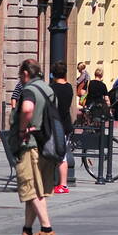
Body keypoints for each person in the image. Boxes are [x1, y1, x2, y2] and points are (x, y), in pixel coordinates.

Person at [11, 59, 57, 235]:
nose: (20, 79)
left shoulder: (29, 90)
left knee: (30, 187)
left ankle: (47, 228)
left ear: (25, 73)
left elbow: (28, 109)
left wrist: (22, 129)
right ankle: (27, 229)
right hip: (46, 144)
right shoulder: (48, 89)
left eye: (20, 75)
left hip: (29, 145)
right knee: (36, 189)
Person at [51, 61, 74, 195]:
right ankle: (62, 184)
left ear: (53, 74)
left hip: (54, 124)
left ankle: (56, 183)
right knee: (62, 154)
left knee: (53, 154)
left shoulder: (52, 88)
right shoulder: (69, 87)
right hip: (65, 124)